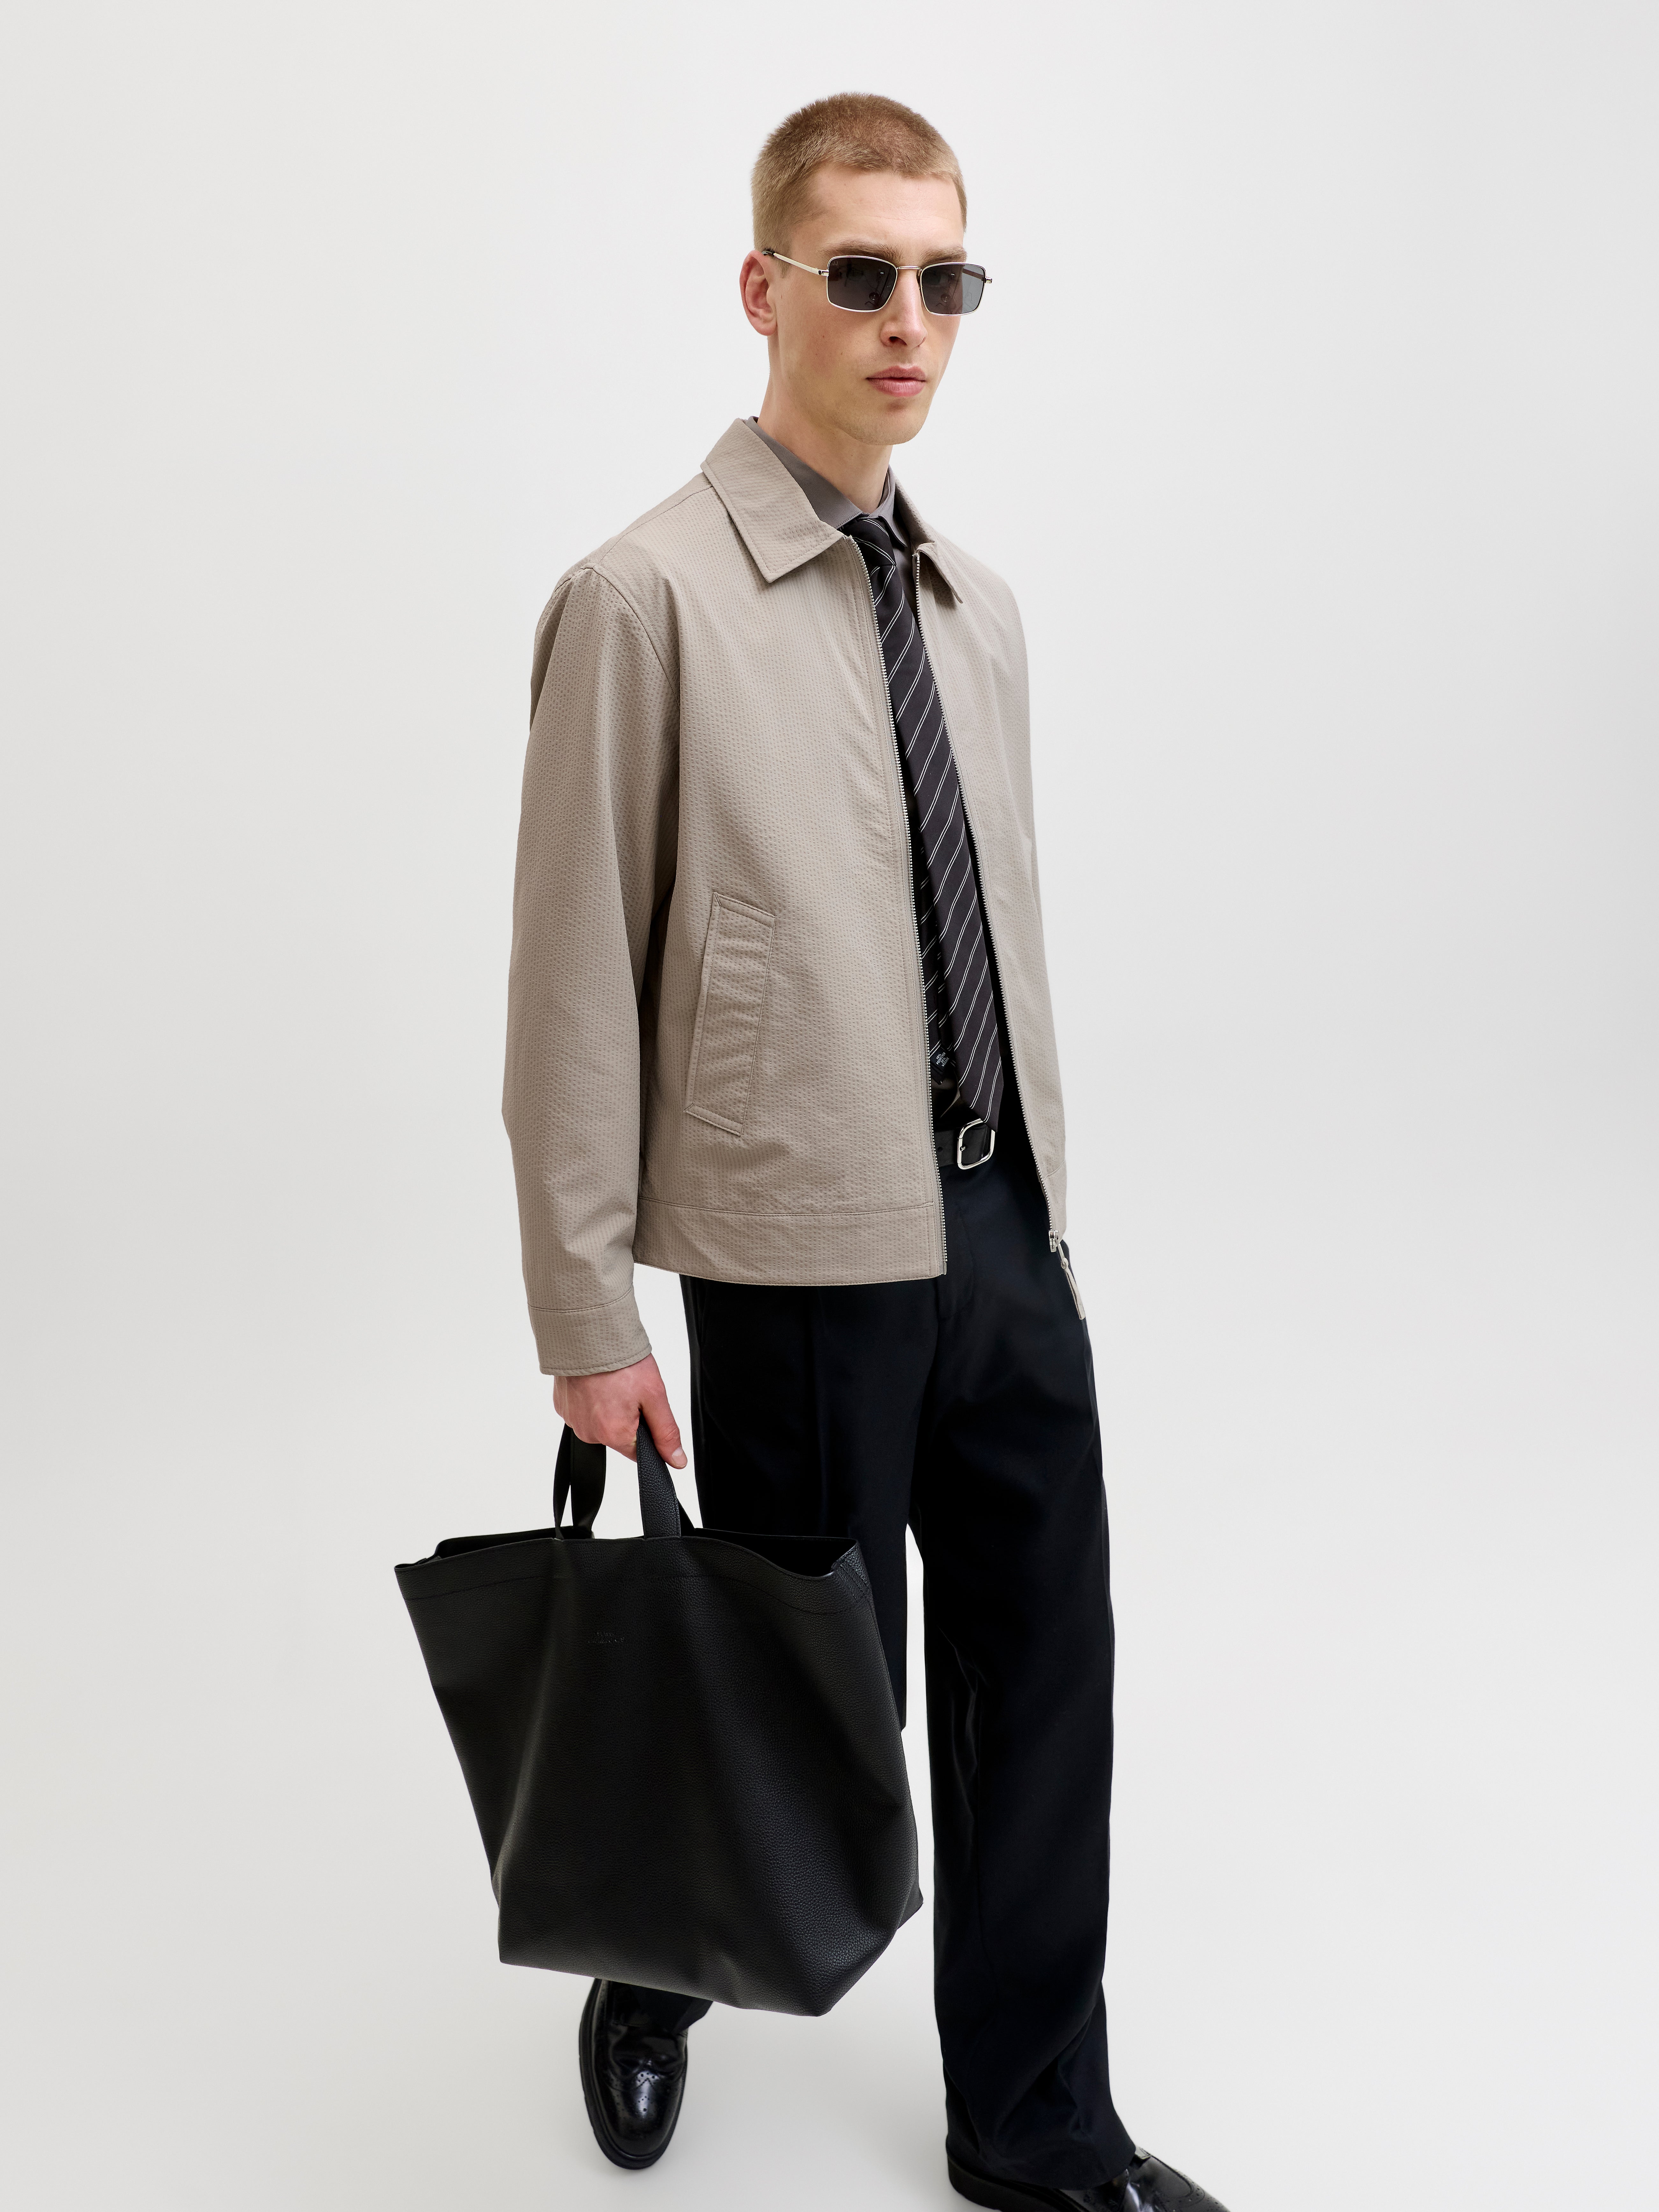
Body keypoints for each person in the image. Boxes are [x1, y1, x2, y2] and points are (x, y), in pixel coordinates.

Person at [503, 91, 1230, 2212]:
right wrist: (582, 1309)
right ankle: (654, 1961)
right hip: (794, 1250)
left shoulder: (975, 611)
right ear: (764, 290)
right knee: (809, 1706)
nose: (909, 320)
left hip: (999, 1230)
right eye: (862, 275)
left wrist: (1038, 1212)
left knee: (1044, 1680)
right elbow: (568, 978)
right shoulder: (639, 599)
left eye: (944, 279)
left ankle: (1034, 2127)